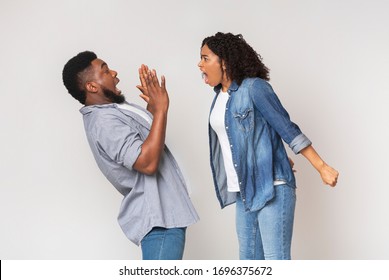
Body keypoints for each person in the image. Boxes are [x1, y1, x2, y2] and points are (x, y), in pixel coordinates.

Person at [198, 32, 339, 260]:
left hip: (271, 186)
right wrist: (273, 152)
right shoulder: (219, 97)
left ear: (223, 61)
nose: (200, 64)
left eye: (205, 58)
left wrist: (321, 166)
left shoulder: (254, 88)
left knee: (276, 262)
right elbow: (251, 136)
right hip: (244, 192)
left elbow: (285, 127)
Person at [62, 51, 199, 260]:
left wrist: (153, 108)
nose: (114, 73)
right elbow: (147, 163)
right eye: (105, 70)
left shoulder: (113, 110)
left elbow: (146, 144)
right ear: (92, 86)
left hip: (165, 215)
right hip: (158, 221)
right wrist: (161, 111)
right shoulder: (104, 122)